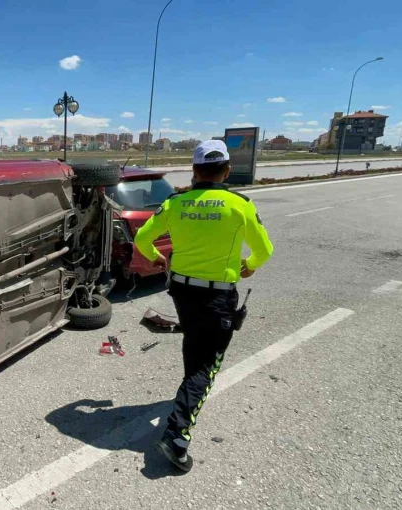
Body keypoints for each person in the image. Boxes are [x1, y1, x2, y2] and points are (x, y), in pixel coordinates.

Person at [134, 140, 274, 472]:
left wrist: (158, 259)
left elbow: (142, 238)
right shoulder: (238, 204)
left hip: (182, 291)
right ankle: (177, 438)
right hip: (217, 295)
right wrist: (250, 264)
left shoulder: (175, 203)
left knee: (194, 345)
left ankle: (188, 393)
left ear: (195, 172)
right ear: (226, 171)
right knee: (205, 367)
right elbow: (264, 249)